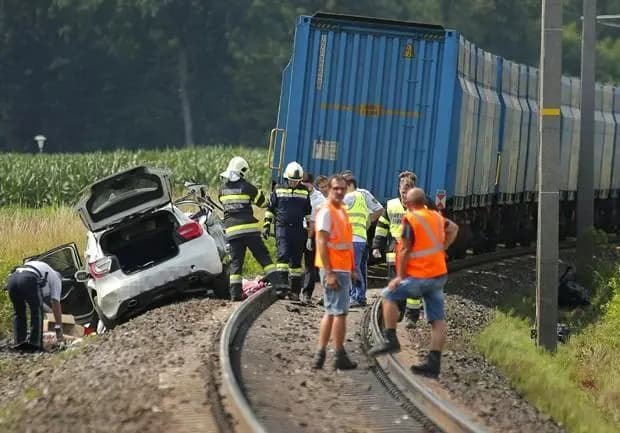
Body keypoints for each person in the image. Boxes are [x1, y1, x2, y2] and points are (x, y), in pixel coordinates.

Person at [369, 188, 459, 378]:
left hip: (420, 275)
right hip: (438, 274)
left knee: (388, 295)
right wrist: (443, 247)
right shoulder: (435, 216)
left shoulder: (411, 219)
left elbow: (403, 251)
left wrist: (399, 277)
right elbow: (453, 228)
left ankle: (391, 339)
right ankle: (433, 364)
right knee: (437, 320)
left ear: (409, 204)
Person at [218, 156, 286, 301]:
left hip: (231, 231)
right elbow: (263, 203)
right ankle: (279, 285)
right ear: (243, 170)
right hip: (249, 230)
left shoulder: (222, 189)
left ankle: (235, 295)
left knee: (236, 264)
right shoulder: (247, 187)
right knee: (263, 257)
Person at [311, 174, 358, 370]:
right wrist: (329, 272)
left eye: (342, 188)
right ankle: (339, 355)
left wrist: (353, 268)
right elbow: (321, 241)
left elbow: (347, 243)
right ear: (328, 190)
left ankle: (320, 355)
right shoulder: (327, 212)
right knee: (339, 313)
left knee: (331, 313)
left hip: (342, 267)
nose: (339, 191)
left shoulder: (341, 211)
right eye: (335, 188)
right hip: (334, 268)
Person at [372, 172, 423, 325]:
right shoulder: (391, 205)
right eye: (401, 186)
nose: (403, 189)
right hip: (394, 250)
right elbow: (382, 226)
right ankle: (399, 311)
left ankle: (411, 316)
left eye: (407, 187)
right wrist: (376, 246)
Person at [264, 161, 312, 300]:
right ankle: (282, 288)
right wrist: (267, 224)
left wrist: (309, 229)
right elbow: (270, 209)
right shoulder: (278, 189)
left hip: (298, 229)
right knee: (282, 256)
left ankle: (295, 292)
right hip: (282, 227)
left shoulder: (304, 191)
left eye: (296, 181)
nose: (294, 183)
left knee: (296, 262)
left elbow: (308, 211)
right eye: (291, 180)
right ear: (286, 178)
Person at [6, 260, 64, 348]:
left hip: (12, 279)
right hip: (28, 278)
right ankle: (35, 344)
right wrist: (59, 327)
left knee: (18, 313)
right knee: (37, 312)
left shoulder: (43, 269)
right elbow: (55, 303)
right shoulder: (56, 279)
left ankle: (19, 342)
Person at [300, 172, 326, 304]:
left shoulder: (320, 199)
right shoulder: (298, 194)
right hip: (299, 231)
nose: (303, 188)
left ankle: (307, 294)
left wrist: (311, 237)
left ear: (311, 185)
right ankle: (293, 290)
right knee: (294, 263)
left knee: (310, 265)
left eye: (306, 185)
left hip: (313, 232)